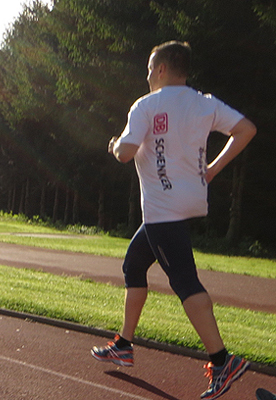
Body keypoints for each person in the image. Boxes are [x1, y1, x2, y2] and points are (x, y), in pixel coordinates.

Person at [92, 41, 256, 400]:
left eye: (150, 69)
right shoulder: (205, 103)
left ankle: (222, 360)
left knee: (184, 280)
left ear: (162, 69)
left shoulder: (146, 105)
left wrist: (115, 143)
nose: (148, 75)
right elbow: (246, 130)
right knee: (134, 264)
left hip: (162, 209)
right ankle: (124, 343)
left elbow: (126, 153)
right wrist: (211, 169)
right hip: (189, 201)